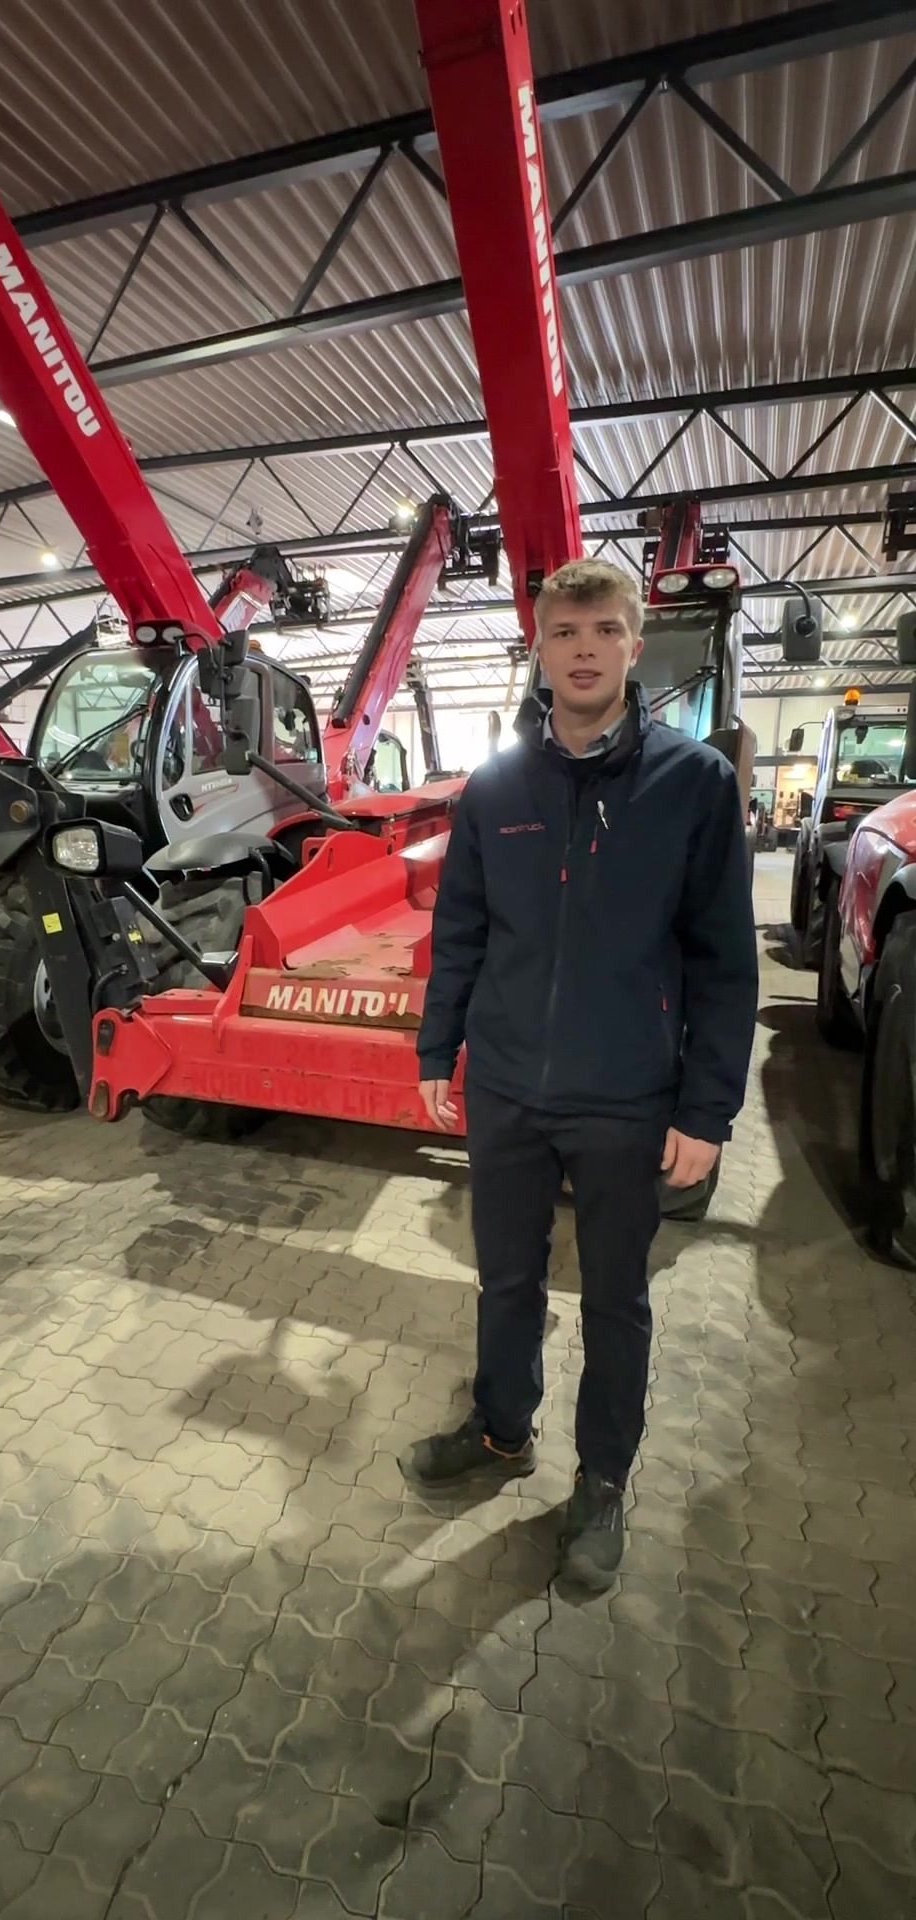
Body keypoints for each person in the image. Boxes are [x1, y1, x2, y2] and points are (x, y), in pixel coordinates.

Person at [402, 558, 758, 1590]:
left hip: (627, 1095)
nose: (585, 649)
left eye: (605, 630)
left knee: (614, 1300)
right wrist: (437, 1048)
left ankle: (602, 1481)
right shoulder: (497, 788)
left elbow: (724, 962)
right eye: (565, 632)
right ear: (541, 650)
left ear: (635, 647)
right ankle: (501, 1430)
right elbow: (462, 933)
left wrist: (707, 1111)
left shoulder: (693, 783)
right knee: (506, 1280)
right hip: (509, 1087)